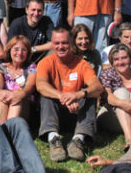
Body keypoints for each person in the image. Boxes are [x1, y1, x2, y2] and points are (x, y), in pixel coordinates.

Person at [37, 28, 103, 162]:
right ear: (52, 44)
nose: (60, 47)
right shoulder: (46, 62)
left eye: (64, 43)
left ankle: (78, 140)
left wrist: (78, 94)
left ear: (72, 43)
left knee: (90, 95)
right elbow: (41, 85)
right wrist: (63, 97)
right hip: (55, 113)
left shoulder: (82, 64)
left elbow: (97, 87)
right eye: (57, 43)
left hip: (76, 113)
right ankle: (53, 138)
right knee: (46, 95)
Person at [99, 44, 131, 148]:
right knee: (121, 92)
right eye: (116, 59)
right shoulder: (107, 73)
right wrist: (123, 104)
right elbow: (108, 96)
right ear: (112, 61)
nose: (120, 62)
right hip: (112, 116)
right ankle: (129, 137)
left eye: (124, 58)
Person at [0, 36, 37, 124]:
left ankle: (10, 130)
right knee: (1, 99)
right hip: (5, 102)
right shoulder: (1, 68)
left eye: (23, 50)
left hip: (23, 104)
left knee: (17, 100)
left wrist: (19, 94)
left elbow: (30, 86)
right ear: (9, 51)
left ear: (28, 53)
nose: (20, 53)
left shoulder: (32, 68)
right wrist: (1, 93)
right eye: (16, 49)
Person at [7, 0, 54, 64]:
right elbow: (11, 48)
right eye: (33, 10)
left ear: (43, 11)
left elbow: (55, 43)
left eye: (39, 10)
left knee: (55, 51)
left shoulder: (47, 21)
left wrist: (33, 49)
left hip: (41, 60)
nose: (36, 14)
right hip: (21, 59)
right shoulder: (17, 24)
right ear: (27, 10)